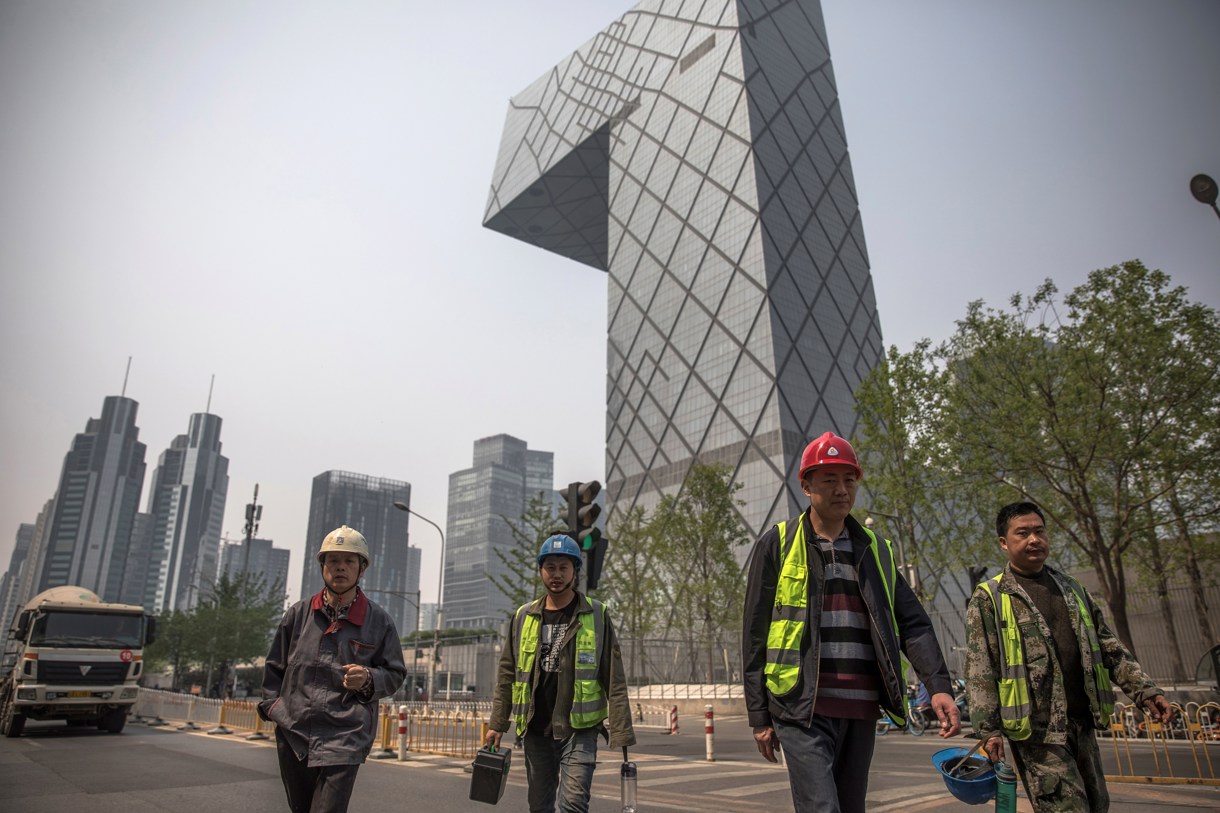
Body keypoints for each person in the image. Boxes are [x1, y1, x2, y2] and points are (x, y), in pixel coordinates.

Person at [743, 431, 961, 813]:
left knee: (850, 807)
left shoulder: (876, 549)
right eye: (830, 480)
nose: (842, 489)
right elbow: (754, 635)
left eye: (849, 479)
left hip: (861, 709)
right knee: (822, 807)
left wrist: (937, 685)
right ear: (807, 486)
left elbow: (915, 624)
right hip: (801, 705)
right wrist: (759, 715)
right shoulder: (777, 544)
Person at [966, 501, 1172, 813]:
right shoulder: (991, 598)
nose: (1034, 539)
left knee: (1097, 805)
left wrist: (1145, 691)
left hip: (1082, 722)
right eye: (1023, 533)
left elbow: (1108, 648)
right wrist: (988, 731)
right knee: (1066, 809)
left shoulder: (1072, 588)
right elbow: (980, 669)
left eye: (1039, 531)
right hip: (1038, 734)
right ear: (1004, 543)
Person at [259, 525, 406, 813]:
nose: (340, 568)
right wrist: (274, 708)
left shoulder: (379, 621)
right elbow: (275, 666)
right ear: (322, 567)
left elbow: (395, 673)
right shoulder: (299, 614)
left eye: (349, 561)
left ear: (361, 569)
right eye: (333, 561)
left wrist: (368, 678)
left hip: (345, 736)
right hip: (295, 732)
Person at [486, 534, 635, 813]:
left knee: (573, 805)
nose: (556, 574)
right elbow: (507, 674)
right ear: (542, 571)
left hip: (580, 730)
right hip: (535, 729)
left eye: (563, 567)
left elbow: (614, 677)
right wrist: (497, 723)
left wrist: (622, 731)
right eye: (550, 567)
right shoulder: (523, 616)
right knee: (539, 806)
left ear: (575, 571)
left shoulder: (597, 614)